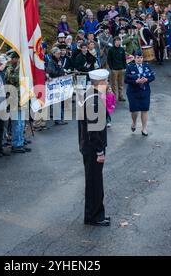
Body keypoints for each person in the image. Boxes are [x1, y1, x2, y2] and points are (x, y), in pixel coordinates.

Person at [78, 69, 110, 227]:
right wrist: (99, 151)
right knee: (94, 183)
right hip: (92, 148)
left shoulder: (89, 94)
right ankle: (93, 216)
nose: (108, 83)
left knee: (96, 181)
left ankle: (98, 212)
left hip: (87, 146)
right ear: (101, 83)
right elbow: (95, 129)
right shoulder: (94, 100)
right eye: (106, 81)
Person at [124, 50, 156, 136]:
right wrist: (136, 81)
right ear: (134, 58)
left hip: (145, 90)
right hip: (133, 92)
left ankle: (144, 128)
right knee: (134, 110)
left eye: (141, 57)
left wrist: (147, 80)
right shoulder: (130, 67)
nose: (139, 59)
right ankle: (134, 123)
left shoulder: (146, 66)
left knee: (145, 109)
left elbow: (152, 76)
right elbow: (126, 80)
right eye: (138, 57)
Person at [107, 36, 127, 101]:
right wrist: (111, 68)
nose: (118, 42)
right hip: (114, 70)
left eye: (119, 40)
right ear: (114, 41)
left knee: (121, 83)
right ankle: (114, 97)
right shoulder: (111, 50)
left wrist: (124, 67)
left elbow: (124, 59)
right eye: (117, 40)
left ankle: (120, 96)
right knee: (114, 84)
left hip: (121, 69)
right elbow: (109, 60)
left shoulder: (122, 49)